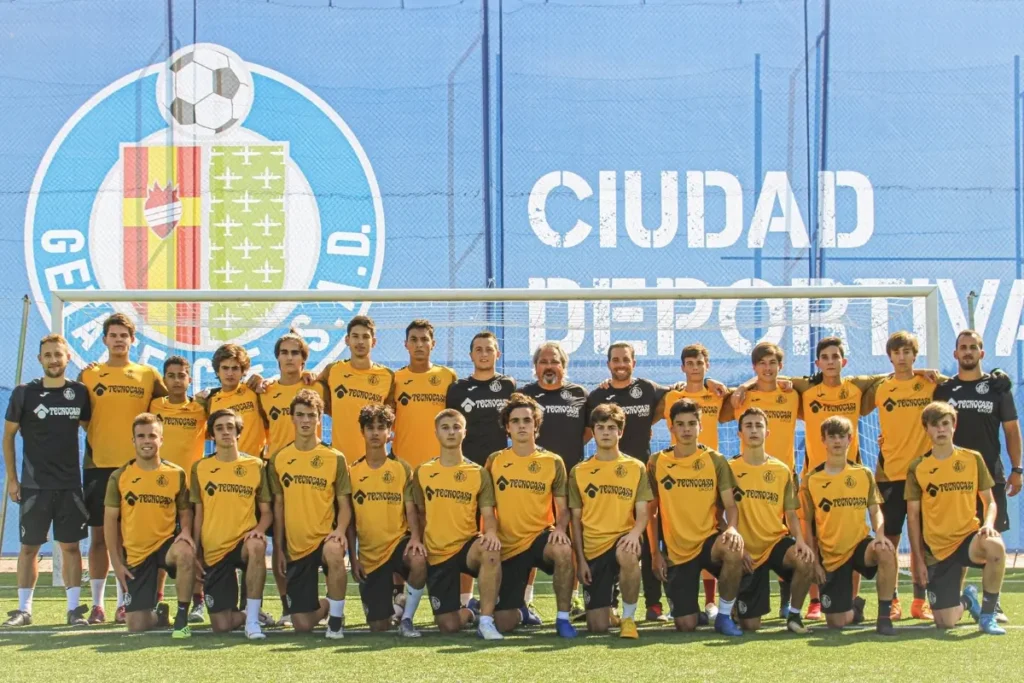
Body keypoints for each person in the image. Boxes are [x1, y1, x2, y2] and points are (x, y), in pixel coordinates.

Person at [80, 313, 167, 624]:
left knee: (130, 538)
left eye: (124, 335)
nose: (118, 340)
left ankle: (124, 601)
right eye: (113, 335)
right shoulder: (89, 375)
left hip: (136, 469)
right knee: (100, 538)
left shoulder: (147, 374)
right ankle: (97, 604)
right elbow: (82, 416)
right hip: (99, 466)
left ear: (133, 340)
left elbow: (171, 405)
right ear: (104, 340)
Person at [2, 334, 91, 627]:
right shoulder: (23, 393)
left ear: (68, 358)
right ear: (40, 359)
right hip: (34, 486)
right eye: (48, 355)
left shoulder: (79, 393)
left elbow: (93, 432)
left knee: (70, 548)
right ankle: (24, 610)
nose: (54, 359)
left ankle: (74, 610)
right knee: (29, 548)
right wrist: (13, 480)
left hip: (69, 485)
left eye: (58, 354)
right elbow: (8, 437)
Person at [933, 329, 1020, 622]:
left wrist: (1017, 469)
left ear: (982, 353)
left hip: (989, 476)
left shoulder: (997, 387)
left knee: (992, 538)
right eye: (962, 348)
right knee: (959, 539)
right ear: (955, 354)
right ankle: (958, 597)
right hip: (951, 480)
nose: (968, 352)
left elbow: (1011, 430)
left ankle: (991, 604)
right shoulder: (944, 390)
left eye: (973, 347)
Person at [584, 342, 669, 621]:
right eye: (615, 360)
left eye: (626, 359)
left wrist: (647, 425)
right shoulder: (598, 394)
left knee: (646, 536)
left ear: (634, 362)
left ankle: (653, 604)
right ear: (608, 363)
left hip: (640, 472)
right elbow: (587, 429)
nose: (620, 364)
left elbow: (674, 398)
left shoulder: (647, 389)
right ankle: (610, 602)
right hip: (608, 477)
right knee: (612, 538)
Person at [906, 402, 1007, 635]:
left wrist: (988, 524)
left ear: (954, 426)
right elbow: (912, 518)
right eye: (935, 425)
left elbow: (990, 502)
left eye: (945, 424)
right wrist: (919, 560)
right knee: (945, 622)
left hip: (967, 538)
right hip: (937, 548)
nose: (941, 430)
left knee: (995, 546)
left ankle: (988, 615)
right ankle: (968, 600)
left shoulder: (972, 459)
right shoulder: (918, 467)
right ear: (926, 429)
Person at [860, 331, 940, 621]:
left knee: (923, 540)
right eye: (897, 352)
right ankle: (891, 599)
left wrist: (923, 372)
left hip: (925, 475)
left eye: (908, 352)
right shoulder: (881, 388)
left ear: (915, 356)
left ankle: (921, 600)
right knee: (889, 541)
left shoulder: (929, 383)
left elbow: (954, 385)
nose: (902, 357)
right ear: (890, 356)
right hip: (890, 475)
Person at [648, 398, 744, 636]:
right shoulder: (657, 462)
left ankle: (723, 615)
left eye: (692, 423)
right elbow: (652, 512)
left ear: (701, 427)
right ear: (671, 428)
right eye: (680, 424)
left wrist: (731, 528)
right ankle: (696, 613)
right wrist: (655, 553)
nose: (687, 429)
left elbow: (731, 506)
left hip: (708, 541)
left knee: (733, 549)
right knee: (685, 625)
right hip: (677, 550)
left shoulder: (715, 460)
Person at [486, 393, 576, 637]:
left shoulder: (552, 461)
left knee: (563, 550)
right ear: (507, 426)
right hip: (509, 545)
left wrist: (559, 529)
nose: (522, 425)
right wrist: (491, 532)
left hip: (540, 537)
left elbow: (563, 508)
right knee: (504, 623)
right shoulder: (495, 460)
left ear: (536, 425)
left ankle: (563, 618)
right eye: (515, 421)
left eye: (527, 420)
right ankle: (521, 611)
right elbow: (487, 506)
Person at [800, 416, 898, 635]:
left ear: (850, 440)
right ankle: (855, 610)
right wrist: (815, 561)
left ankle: (884, 617)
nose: (837, 441)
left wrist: (880, 535)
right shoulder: (811, 479)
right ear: (823, 440)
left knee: (885, 551)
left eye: (842, 436)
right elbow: (807, 523)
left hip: (859, 547)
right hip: (831, 554)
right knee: (837, 623)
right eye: (832, 436)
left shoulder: (862, 474)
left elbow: (875, 510)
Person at [412, 409, 503, 640]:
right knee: (448, 626)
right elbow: (420, 512)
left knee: (490, 550)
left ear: (465, 432)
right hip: (438, 552)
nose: (451, 432)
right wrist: (417, 539)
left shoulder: (478, 472)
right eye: (445, 427)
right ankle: (468, 614)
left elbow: (488, 513)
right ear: (436, 433)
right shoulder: (423, 471)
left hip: (466, 546)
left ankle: (486, 621)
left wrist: (490, 533)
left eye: (456, 427)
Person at [268, 390, 352, 638]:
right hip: (296, 546)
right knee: (302, 625)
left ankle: (335, 621)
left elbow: (345, 505)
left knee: (335, 551)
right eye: (300, 415)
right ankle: (327, 605)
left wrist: (339, 532)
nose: (306, 420)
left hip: (325, 539)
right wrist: (280, 548)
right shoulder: (279, 459)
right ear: (291, 418)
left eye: (311, 415)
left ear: (320, 419)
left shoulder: (334, 457)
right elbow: (279, 508)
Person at [102, 413, 195, 637]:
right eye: (141, 436)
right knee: (136, 625)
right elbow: (109, 522)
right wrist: (116, 563)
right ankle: (159, 615)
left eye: (152, 435)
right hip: (137, 553)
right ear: (133, 441)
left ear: (161, 440)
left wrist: (186, 534)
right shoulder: (120, 476)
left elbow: (185, 513)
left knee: (185, 551)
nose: (146, 441)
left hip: (166, 544)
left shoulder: (176, 473)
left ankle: (182, 617)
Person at [568, 403, 652, 639]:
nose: (606, 432)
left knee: (628, 553)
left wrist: (635, 534)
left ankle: (628, 618)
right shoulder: (579, 471)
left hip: (622, 538)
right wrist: (581, 561)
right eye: (600, 427)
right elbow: (576, 522)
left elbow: (643, 513)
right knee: (598, 626)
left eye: (611, 427)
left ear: (620, 432)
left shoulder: (635, 467)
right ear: (593, 432)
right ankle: (609, 611)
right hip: (594, 547)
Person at [659, 343, 730, 621]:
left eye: (700, 363)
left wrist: (717, 384)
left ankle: (713, 602)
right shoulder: (673, 396)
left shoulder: (716, 393)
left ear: (707, 365)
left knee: (711, 531)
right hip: (678, 472)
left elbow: (741, 396)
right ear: (682, 367)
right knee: (674, 532)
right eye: (690, 363)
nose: (695, 368)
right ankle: (675, 602)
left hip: (709, 472)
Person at [729, 407, 815, 634]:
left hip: (775, 542)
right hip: (745, 548)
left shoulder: (782, 470)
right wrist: (738, 547)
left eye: (759, 426)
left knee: (805, 560)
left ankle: (794, 616)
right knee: (751, 626)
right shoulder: (729, 469)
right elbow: (720, 513)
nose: (754, 430)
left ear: (767, 433)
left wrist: (800, 541)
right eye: (748, 426)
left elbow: (791, 513)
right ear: (740, 434)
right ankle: (736, 606)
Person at [519, 340, 589, 618]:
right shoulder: (525, 395)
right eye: (544, 362)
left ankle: (572, 601)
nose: (549, 367)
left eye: (555, 362)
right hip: (533, 480)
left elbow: (586, 432)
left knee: (570, 539)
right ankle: (526, 600)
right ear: (536, 368)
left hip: (570, 479)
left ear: (564, 366)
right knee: (530, 538)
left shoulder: (580, 394)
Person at [190, 408, 273, 640]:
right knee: (221, 625)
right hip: (214, 549)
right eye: (219, 428)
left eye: (230, 427)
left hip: (243, 542)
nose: (225, 432)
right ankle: (246, 614)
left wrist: (258, 531)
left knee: (258, 545)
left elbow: (267, 513)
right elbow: (198, 513)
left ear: (238, 433)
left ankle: (253, 620)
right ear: (212, 435)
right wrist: (197, 551)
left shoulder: (256, 466)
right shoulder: (200, 468)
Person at [347, 404, 427, 637]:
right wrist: (354, 557)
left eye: (381, 428)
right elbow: (350, 521)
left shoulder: (401, 468)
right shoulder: (352, 472)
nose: (375, 433)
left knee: (419, 559)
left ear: (389, 433)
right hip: (371, 556)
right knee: (378, 628)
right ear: (362, 432)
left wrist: (415, 538)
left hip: (398, 544)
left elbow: (410, 509)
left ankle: (408, 619)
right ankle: (395, 606)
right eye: (370, 427)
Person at [149, 355, 207, 624]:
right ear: (164, 379)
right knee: (158, 543)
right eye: (170, 376)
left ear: (189, 379)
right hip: (160, 488)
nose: (176, 380)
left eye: (181, 375)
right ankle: (157, 600)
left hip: (190, 490)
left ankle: (198, 602)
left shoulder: (199, 409)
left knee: (193, 546)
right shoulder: (153, 406)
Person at [318, 315, 395, 464]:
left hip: (373, 463)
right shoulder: (333, 370)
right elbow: (313, 390)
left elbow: (391, 415)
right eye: (355, 336)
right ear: (347, 340)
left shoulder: (387, 376)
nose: (360, 342)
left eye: (365, 337)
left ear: (373, 342)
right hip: (340, 460)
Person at [393, 320, 457, 468]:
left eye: (424, 339)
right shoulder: (395, 378)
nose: (419, 345)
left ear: (433, 344)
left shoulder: (448, 376)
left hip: (440, 463)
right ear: (406, 344)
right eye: (414, 340)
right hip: (404, 463)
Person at [260, 331, 326, 459]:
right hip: (276, 464)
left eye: (295, 353)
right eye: (284, 352)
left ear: (303, 359)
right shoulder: (265, 392)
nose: (289, 357)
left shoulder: (317, 388)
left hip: (310, 462)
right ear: (277, 357)